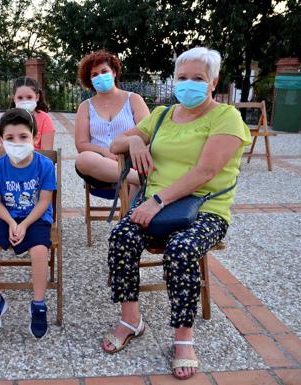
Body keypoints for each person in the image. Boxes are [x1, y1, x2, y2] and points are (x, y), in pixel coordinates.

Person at [104, 47, 251, 380]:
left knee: (181, 248)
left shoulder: (226, 117)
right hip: (156, 207)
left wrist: (156, 201)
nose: (189, 85)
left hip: (203, 209)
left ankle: (183, 338)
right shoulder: (161, 114)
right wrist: (135, 142)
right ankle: (131, 320)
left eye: (198, 78)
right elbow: (115, 145)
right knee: (122, 236)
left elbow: (206, 171)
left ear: (213, 82)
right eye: (182, 78)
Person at [0, 108, 57, 338]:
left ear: (35, 138)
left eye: (23, 136)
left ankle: (39, 304)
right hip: (6, 216)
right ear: (1, 141)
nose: (17, 142)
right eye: (10, 138)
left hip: (37, 217)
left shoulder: (44, 165)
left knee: (40, 250)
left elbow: (44, 202)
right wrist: (12, 222)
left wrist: (24, 225)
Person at [74, 50, 150, 195]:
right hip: (100, 168)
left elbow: (148, 132)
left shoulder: (134, 99)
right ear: (89, 80)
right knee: (82, 159)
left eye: (104, 71)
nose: (100, 76)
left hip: (131, 160)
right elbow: (81, 145)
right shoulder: (85, 106)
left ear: (114, 72)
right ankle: (140, 179)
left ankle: (129, 215)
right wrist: (106, 153)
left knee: (135, 175)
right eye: (94, 74)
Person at [10, 76, 55, 150]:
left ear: (37, 97)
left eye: (29, 97)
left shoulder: (45, 119)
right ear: (14, 98)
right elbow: (4, 150)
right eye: (20, 98)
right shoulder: (8, 119)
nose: (24, 101)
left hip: (37, 160)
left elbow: (47, 152)